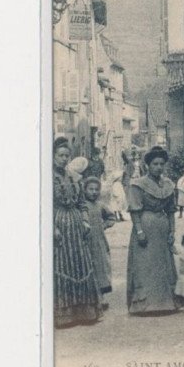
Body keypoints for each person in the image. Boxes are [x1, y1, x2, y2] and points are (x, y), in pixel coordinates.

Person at [53, 140, 103, 328]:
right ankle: (64, 314)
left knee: (81, 264)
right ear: (53, 156)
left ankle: (84, 312)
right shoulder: (47, 177)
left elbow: (81, 202)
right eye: (60, 155)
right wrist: (53, 228)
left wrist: (84, 220)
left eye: (67, 155)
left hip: (76, 226)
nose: (64, 159)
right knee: (63, 265)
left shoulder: (73, 177)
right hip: (58, 223)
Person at [125, 146, 180, 316]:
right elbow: (135, 210)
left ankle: (166, 303)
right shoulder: (138, 184)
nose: (158, 167)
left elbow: (171, 210)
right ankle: (145, 305)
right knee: (145, 265)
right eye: (155, 164)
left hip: (162, 227)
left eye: (161, 164)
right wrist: (140, 231)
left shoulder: (169, 184)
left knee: (163, 264)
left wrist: (172, 231)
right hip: (146, 226)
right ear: (148, 165)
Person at [82, 175, 115, 310]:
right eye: (91, 189)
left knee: (101, 269)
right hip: (85, 242)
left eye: (96, 189)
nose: (94, 192)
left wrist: (105, 225)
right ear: (84, 190)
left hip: (99, 241)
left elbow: (111, 217)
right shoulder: (82, 206)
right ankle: (90, 299)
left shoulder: (101, 205)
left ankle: (102, 298)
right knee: (89, 268)